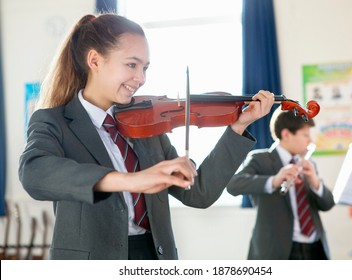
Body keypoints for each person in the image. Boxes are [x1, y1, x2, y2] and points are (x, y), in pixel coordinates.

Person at [18, 13, 274, 260]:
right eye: (131, 65)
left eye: (145, 68)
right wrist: (129, 181)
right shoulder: (54, 121)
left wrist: (238, 127)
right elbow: (34, 173)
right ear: (95, 60)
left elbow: (200, 194)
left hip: (152, 257)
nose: (140, 78)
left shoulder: (146, 124)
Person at [226, 108, 335, 260]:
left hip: (315, 247)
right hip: (279, 251)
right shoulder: (260, 159)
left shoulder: (309, 164)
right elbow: (233, 185)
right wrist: (274, 180)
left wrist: (315, 182)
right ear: (286, 134)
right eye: (305, 135)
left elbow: (328, 204)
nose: (310, 141)